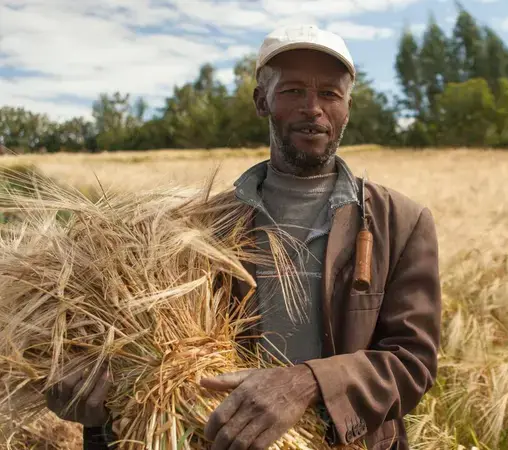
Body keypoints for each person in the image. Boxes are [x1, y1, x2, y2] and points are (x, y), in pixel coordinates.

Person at [45, 24, 442, 450]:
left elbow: (412, 363)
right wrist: (96, 405)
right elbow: (152, 361)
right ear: (261, 101)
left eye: (330, 93)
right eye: (292, 91)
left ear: (348, 107)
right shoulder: (197, 228)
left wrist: (304, 383)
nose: (313, 108)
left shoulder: (400, 222)